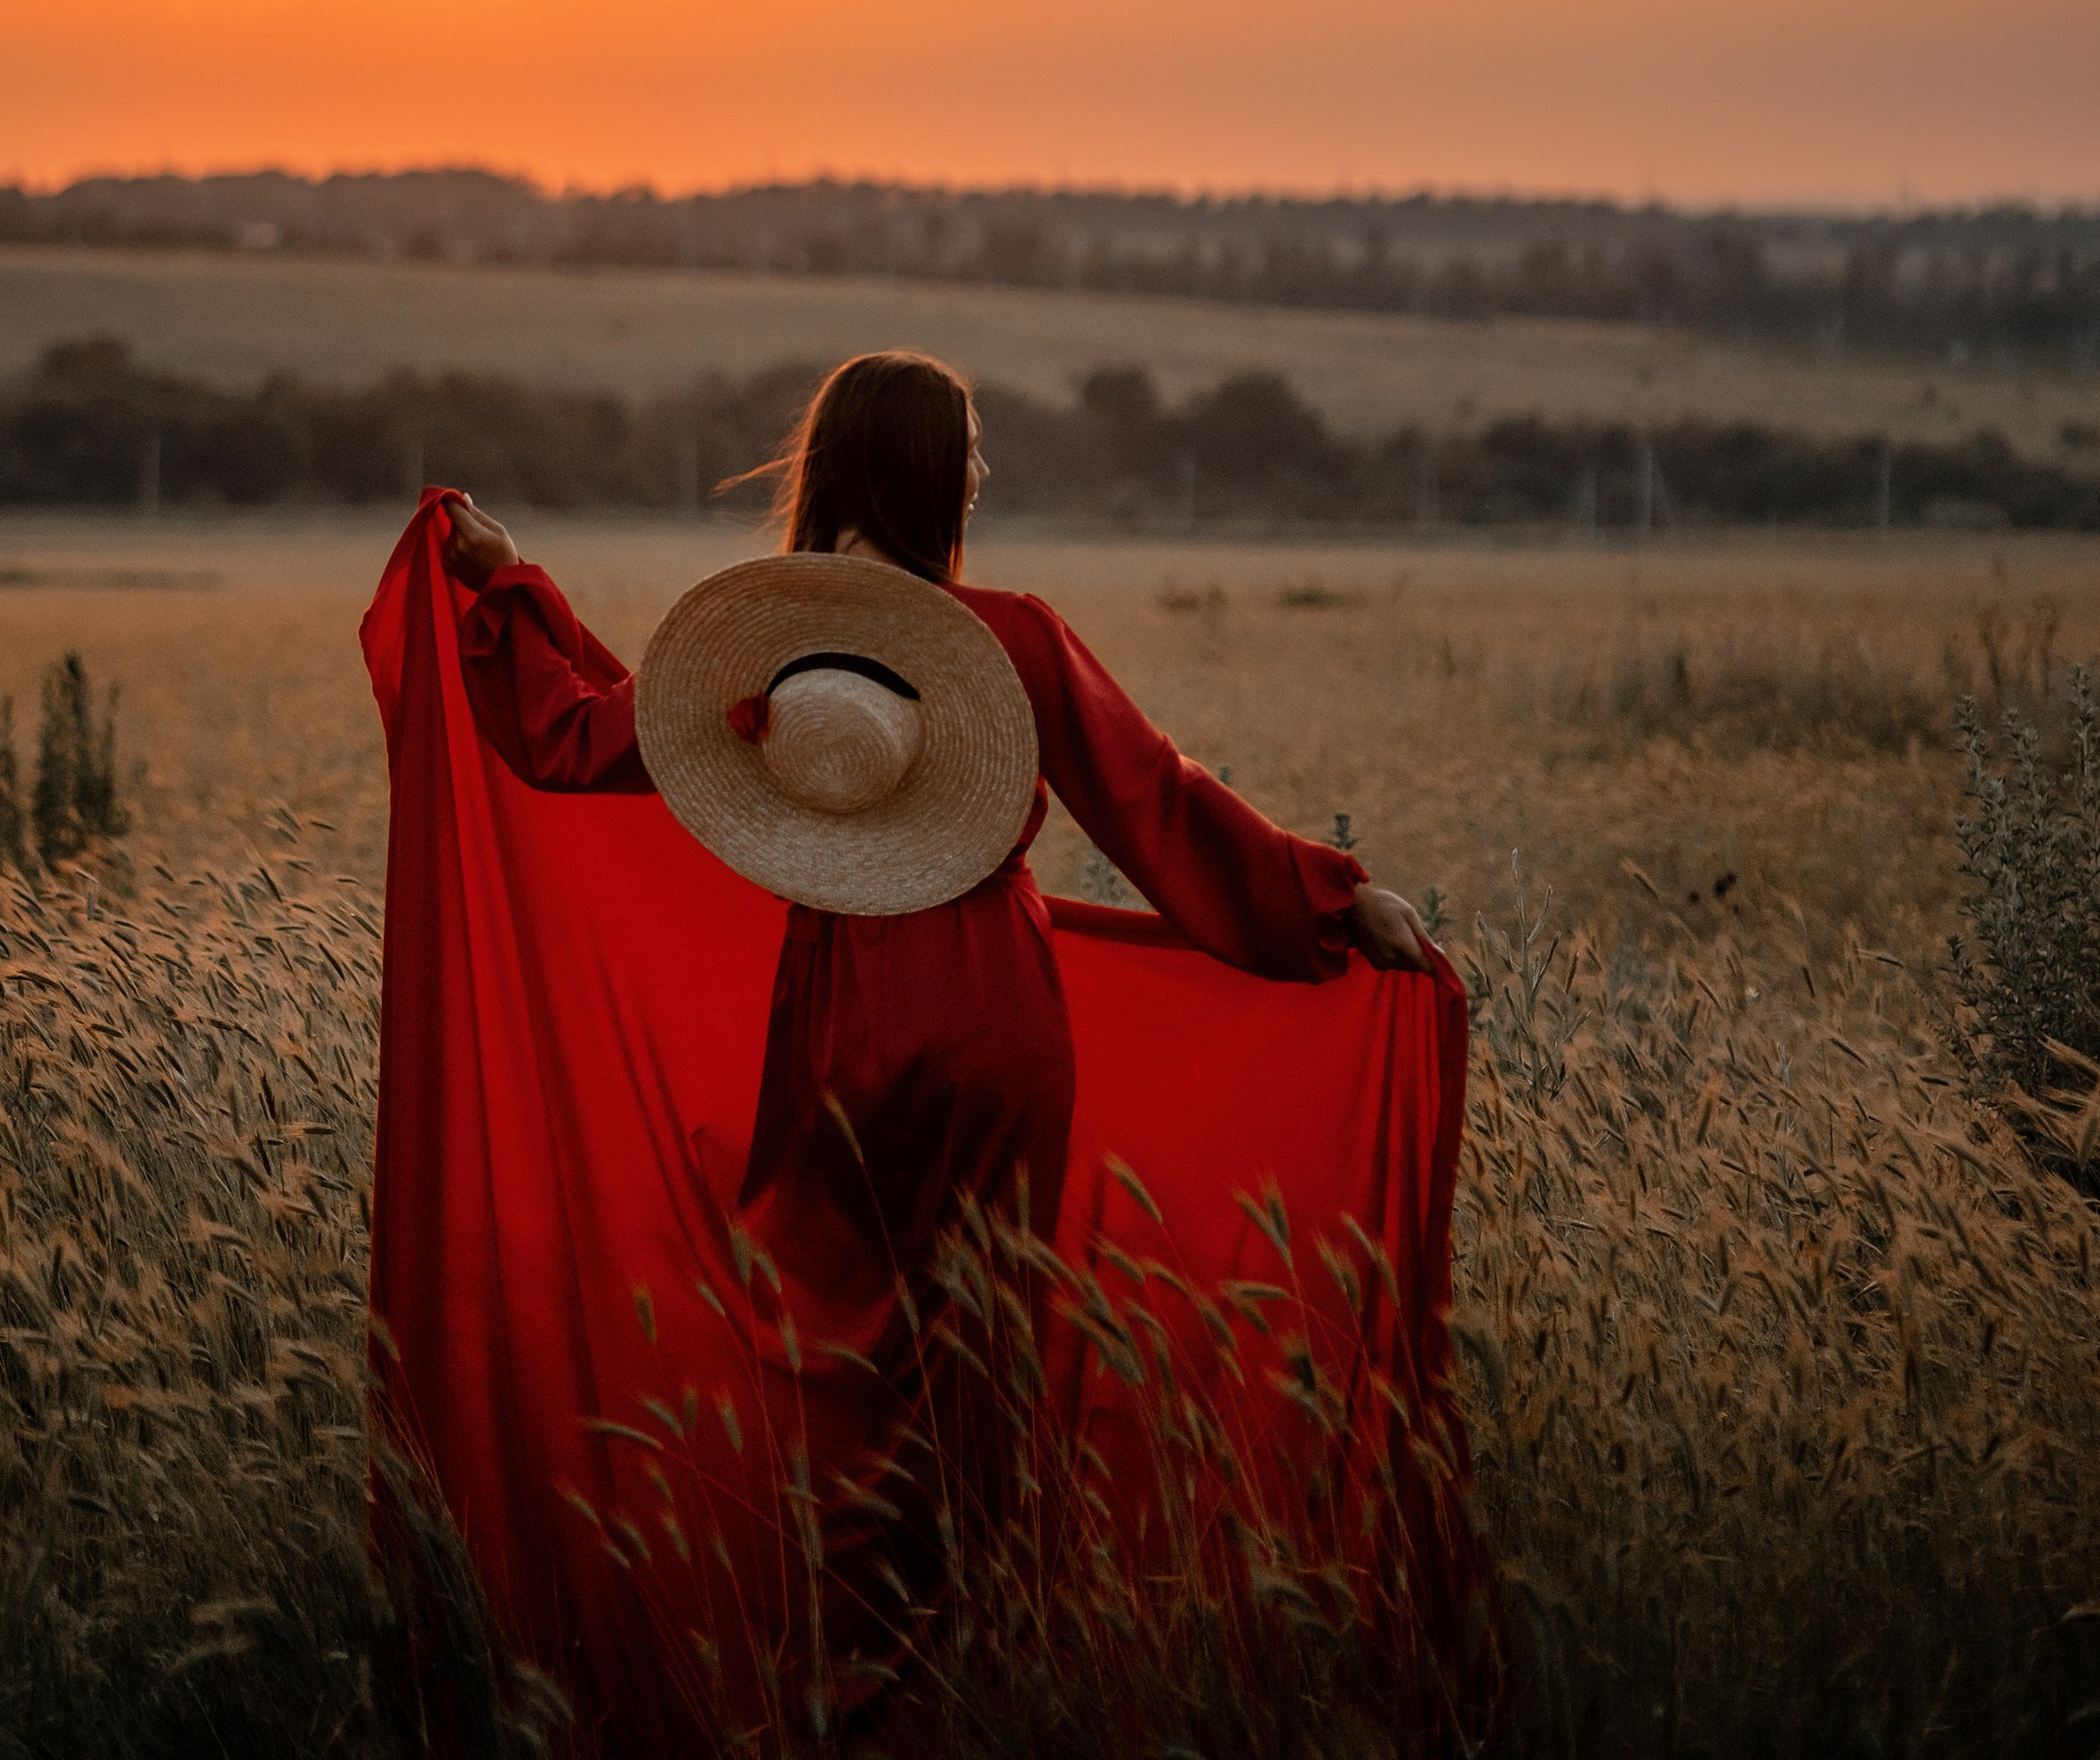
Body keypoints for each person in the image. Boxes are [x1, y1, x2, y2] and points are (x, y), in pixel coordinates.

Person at [403, 348, 1443, 1728]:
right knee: (983, 1361)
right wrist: (1334, 900)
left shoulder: (773, 656)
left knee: (828, 1354)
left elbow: (579, 737)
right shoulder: (1009, 641)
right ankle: (966, 1676)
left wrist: (504, 576)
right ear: (942, 478)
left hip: (844, 1016)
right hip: (999, 1022)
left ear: (829, 467)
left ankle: (844, 1681)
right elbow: (1161, 803)